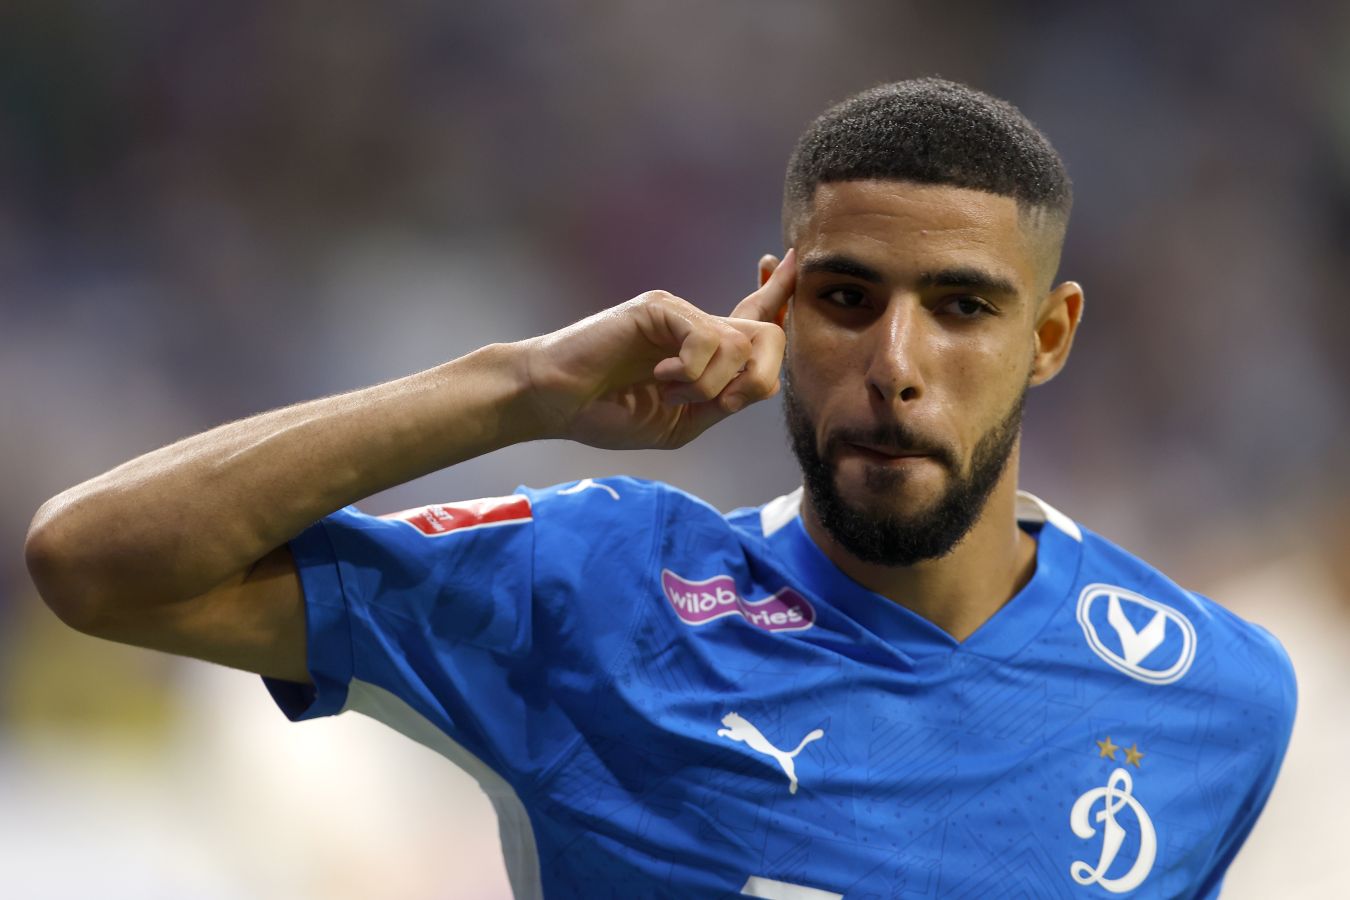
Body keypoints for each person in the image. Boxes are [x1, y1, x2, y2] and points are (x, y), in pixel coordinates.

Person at [25, 79, 1295, 898]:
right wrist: (520, 387)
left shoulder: (1219, 699)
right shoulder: (599, 594)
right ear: (778, 304)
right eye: (847, 298)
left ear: (1052, 336)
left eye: (963, 308)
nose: (896, 366)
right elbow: (94, 561)